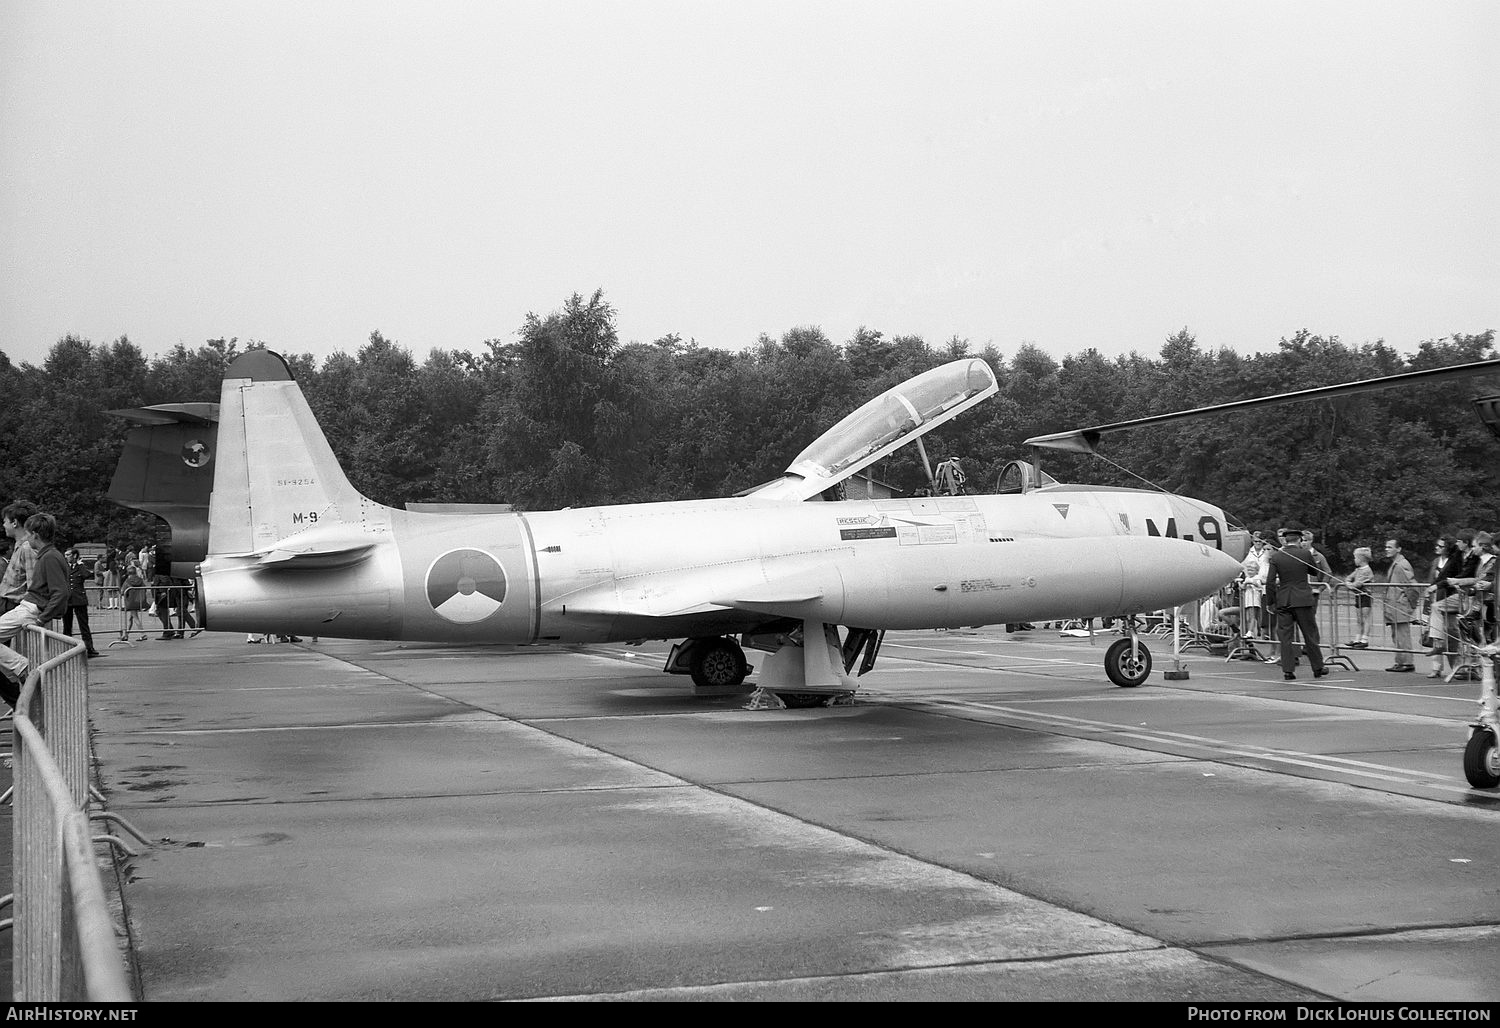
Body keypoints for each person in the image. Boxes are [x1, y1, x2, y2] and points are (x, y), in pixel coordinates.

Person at [0, 513, 70, 709]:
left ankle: (22, 667)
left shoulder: (49, 557)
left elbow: (61, 593)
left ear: (35, 535)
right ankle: (20, 668)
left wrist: (42, 619)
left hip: (31, 609)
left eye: (28, 535)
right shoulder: (50, 555)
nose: (26, 539)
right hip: (30, 607)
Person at [1262, 525, 1329, 680]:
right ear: (1299, 540)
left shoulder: (1277, 556)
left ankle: (1288, 670)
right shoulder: (1304, 553)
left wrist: (1271, 602)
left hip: (1284, 599)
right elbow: (1314, 571)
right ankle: (1318, 667)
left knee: (1285, 637)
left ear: (1285, 540)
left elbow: (1270, 582)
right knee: (1309, 635)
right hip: (1303, 599)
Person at [1425, 533, 1466, 677]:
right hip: (1437, 596)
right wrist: (1429, 592)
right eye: (1436, 545)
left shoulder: (1454, 560)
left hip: (1450, 595)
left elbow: (1447, 578)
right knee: (1435, 630)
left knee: (1451, 630)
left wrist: (1436, 586)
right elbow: (1433, 580)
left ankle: (1456, 666)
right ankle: (1436, 667)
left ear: (1447, 548)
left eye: (1440, 546)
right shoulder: (1436, 561)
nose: (1437, 548)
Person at [1382, 538, 1420, 672]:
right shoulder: (1395, 564)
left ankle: (1407, 662)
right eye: (1386, 547)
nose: (1387, 549)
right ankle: (1400, 661)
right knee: (1396, 635)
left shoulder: (1401, 564)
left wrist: (1410, 605)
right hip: (1394, 605)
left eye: (1390, 547)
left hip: (1400, 605)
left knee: (1402, 634)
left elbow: (1412, 586)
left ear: (1398, 549)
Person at [1, 500, 39, 614]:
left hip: (14, 608)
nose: (3, 525)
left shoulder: (28, 547)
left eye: (5, 521)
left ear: (15, 523)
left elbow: (33, 587)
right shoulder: (20, 546)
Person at [62, 547, 100, 658]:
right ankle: (67, 649)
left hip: (79, 599)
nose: (66, 557)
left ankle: (89, 648)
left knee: (84, 626)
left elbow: (87, 575)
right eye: (65, 555)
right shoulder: (64, 567)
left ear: (74, 556)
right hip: (68, 600)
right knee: (67, 626)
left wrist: (80, 564)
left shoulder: (80, 567)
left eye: (68, 555)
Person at [1239, 533, 1269, 639]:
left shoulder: (1266, 552)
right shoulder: (1249, 552)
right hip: (1252, 582)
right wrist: (1249, 578)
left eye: (1260, 541)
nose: (1258, 544)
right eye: (1256, 541)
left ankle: (1262, 631)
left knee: (1261, 613)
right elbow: (1244, 566)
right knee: (1250, 613)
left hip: (1262, 584)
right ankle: (1252, 631)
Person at [1344, 546, 1375, 648]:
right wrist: (1348, 583)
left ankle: (1364, 639)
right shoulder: (1358, 570)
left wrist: (1349, 585)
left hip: (1365, 596)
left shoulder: (1367, 570)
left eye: (1355, 558)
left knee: (1365, 618)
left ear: (1361, 559)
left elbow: (1357, 584)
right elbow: (1349, 578)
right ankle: (1357, 638)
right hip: (1358, 595)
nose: (1354, 560)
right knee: (1359, 618)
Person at [121, 560, 150, 641]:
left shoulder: (127, 581)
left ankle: (143, 633)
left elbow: (122, 591)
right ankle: (126, 635)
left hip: (131, 601)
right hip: (139, 600)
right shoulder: (140, 580)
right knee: (131, 618)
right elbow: (145, 588)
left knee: (135, 617)